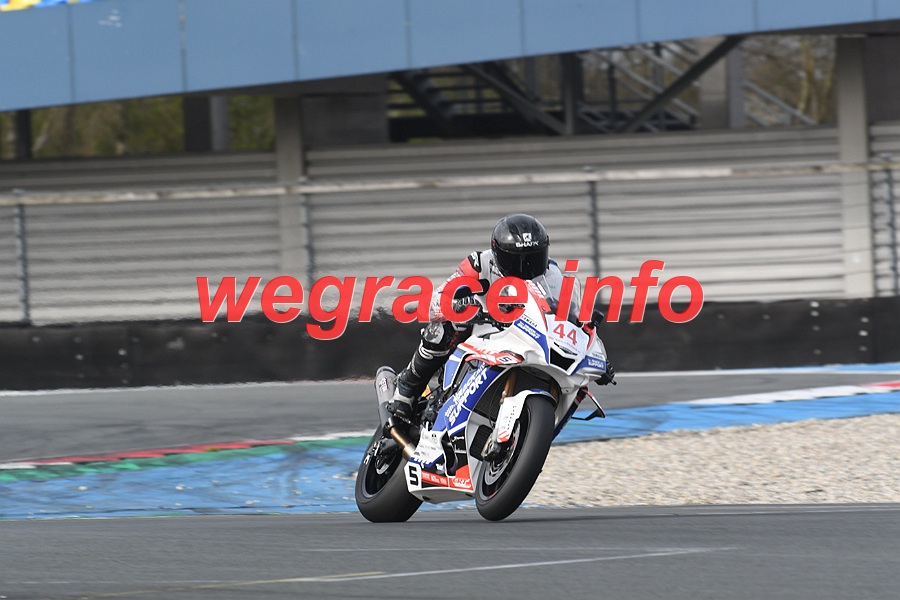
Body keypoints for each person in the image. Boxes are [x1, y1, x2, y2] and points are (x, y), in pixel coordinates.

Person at [387, 213, 613, 420]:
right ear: (498, 254)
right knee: (443, 329)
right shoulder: (479, 263)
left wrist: (593, 354)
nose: (525, 268)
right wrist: (459, 304)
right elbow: (437, 300)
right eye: (516, 261)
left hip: (526, 338)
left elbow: (570, 315)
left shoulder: (552, 275)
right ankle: (407, 388)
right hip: (481, 329)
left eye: (533, 259)